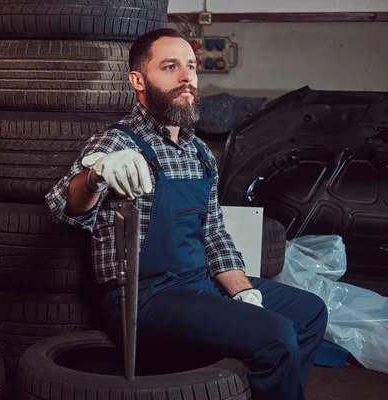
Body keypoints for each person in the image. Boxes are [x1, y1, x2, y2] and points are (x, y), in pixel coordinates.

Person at [45, 28, 328, 400]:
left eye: (191, 67)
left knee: (309, 312)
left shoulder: (198, 152)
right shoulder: (117, 141)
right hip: (142, 297)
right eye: (170, 66)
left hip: (199, 284)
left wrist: (243, 293)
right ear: (138, 81)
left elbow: (213, 234)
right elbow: (62, 207)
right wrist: (95, 176)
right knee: (276, 336)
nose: (186, 77)